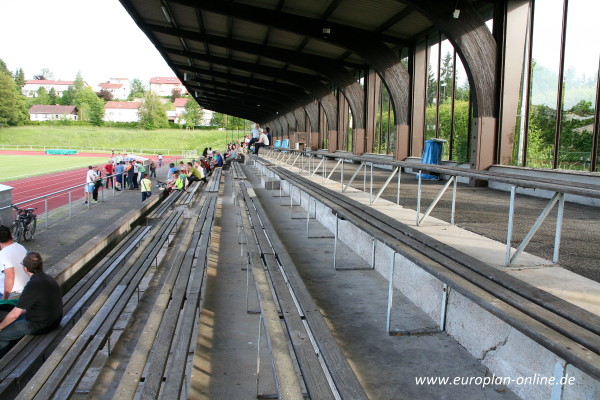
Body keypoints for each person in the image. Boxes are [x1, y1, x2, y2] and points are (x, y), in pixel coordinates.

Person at [0, 252, 62, 357]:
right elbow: (40, 305)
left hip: (41, 325)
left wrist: (0, 327)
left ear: (25, 268)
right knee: (11, 321)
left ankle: (5, 361)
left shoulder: (33, 285)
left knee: (3, 335)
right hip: (54, 320)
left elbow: (15, 314)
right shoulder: (48, 279)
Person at [0, 226, 28, 300]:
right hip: (26, 288)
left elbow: (10, 276)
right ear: (10, 235)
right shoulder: (21, 247)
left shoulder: (3, 254)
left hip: (12, 294)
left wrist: (5, 299)